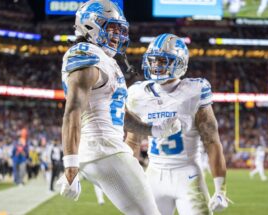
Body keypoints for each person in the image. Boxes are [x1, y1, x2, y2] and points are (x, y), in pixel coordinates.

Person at [57, 1, 181, 214]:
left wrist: (155, 130)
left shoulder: (105, 60)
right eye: (112, 28)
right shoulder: (86, 54)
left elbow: (121, 115)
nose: (117, 35)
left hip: (105, 150)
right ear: (90, 25)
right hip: (104, 149)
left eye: (120, 30)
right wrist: (70, 165)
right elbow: (72, 112)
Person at [125, 33, 230, 215]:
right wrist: (127, 179)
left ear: (179, 62)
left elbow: (212, 142)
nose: (156, 65)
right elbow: (132, 142)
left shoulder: (194, 91)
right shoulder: (137, 94)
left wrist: (220, 190)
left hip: (187, 175)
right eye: (154, 60)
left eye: (163, 61)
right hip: (153, 175)